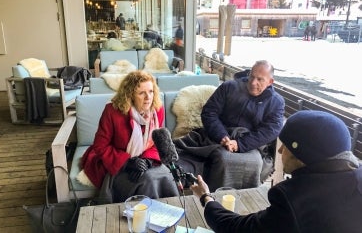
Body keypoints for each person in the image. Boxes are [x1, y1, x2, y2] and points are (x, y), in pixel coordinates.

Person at [190, 110, 362, 233]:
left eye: (284, 147)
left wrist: (206, 198)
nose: (279, 152)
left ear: (301, 156)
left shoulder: (295, 199)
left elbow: (236, 228)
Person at [174, 60, 285, 191]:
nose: (253, 82)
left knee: (250, 162)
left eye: (260, 79)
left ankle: (242, 198)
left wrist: (239, 144)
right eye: (252, 76)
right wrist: (222, 136)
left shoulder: (276, 102)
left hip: (249, 144)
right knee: (220, 157)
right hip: (216, 138)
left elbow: (270, 131)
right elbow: (209, 112)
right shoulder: (229, 87)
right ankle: (211, 196)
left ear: (270, 82)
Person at [79, 71, 179, 202]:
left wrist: (147, 160)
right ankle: (142, 216)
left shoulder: (157, 109)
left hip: (147, 160)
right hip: (117, 162)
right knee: (146, 181)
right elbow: (100, 146)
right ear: (130, 95)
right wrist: (127, 162)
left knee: (167, 177)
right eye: (142, 93)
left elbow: (157, 141)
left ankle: (168, 213)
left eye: (151, 91)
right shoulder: (112, 111)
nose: (148, 97)